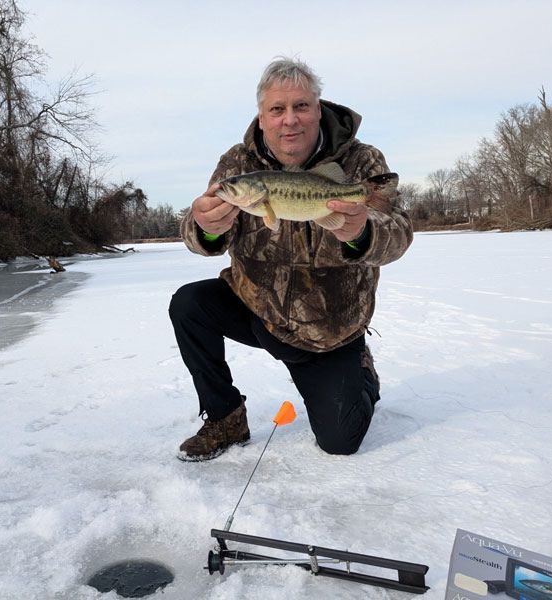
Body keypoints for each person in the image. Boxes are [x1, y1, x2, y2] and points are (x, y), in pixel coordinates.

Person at [169, 57, 413, 461]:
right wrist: (205, 226)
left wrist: (362, 233)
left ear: (318, 110)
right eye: (277, 110)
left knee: (340, 442)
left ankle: (360, 374)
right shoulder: (238, 166)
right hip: (257, 309)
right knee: (189, 304)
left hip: (328, 330)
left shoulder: (360, 162)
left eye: (301, 106)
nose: (290, 120)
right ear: (262, 118)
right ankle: (226, 417)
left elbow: (399, 233)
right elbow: (201, 234)